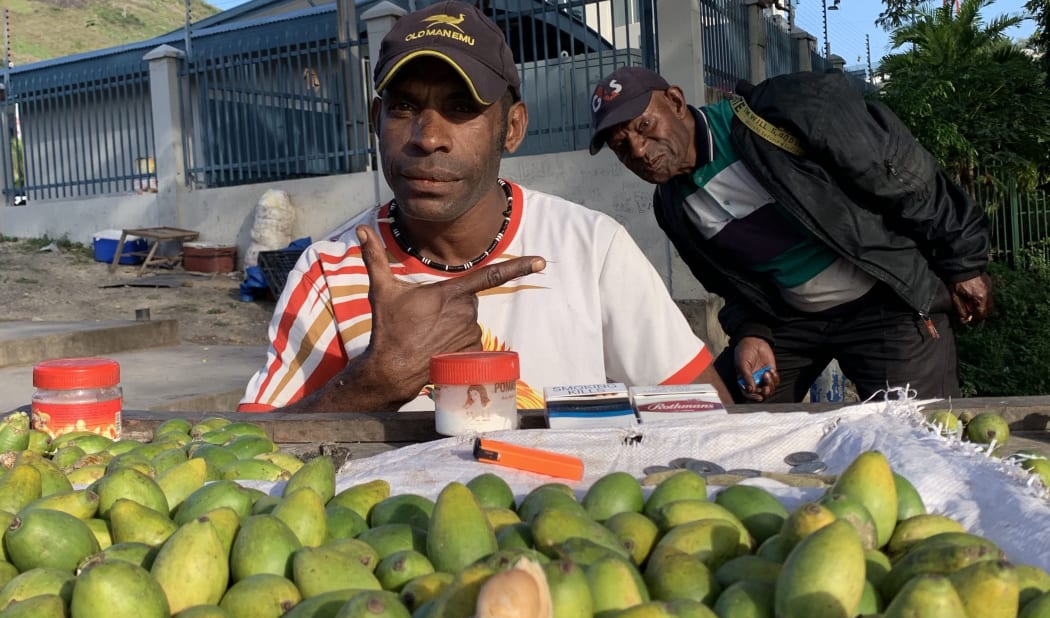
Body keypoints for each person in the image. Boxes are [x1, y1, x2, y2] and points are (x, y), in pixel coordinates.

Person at [239, 2, 731, 413]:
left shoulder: (590, 248)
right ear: (376, 119)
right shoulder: (327, 269)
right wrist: (373, 382)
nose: (428, 138)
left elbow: (701, 413)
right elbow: (254, 451)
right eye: (405, 107)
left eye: (460, 109)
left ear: (512, 129)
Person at [588, 66, 993, 403]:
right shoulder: (673, 206)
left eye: (644, 126)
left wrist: (962, 261)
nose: (639, 150)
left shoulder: (778, 113)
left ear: (676, 102)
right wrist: (751, 332)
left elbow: (902, 175)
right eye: (622, 146)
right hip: (793, 321)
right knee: (728, 421)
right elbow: (729, 283)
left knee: (917, 440)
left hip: (885, 301)